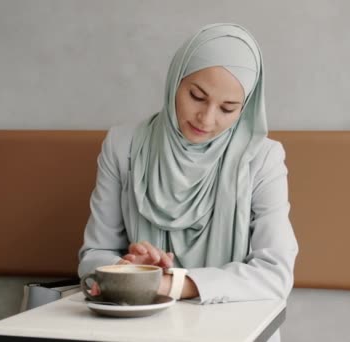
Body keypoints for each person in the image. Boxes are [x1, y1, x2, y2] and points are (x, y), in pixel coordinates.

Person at [78, 23, 298, 341]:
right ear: (175, 81)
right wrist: (131, 271)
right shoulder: (123, 146)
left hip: (234, 331)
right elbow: (94, 254)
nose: (206, 119)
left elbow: (275, 273)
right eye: (196, 96)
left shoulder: (263, 159)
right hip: (140, 330)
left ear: (246, 108)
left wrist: (171, 284)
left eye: (228, 108)